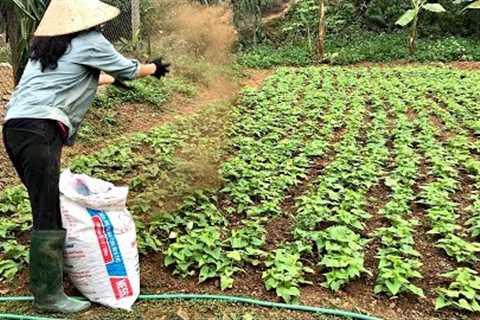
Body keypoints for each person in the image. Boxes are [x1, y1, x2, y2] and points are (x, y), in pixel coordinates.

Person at [1, 0, 170, 314]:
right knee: (46, 208)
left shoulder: (48, 49)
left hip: (16, 128)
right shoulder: (89, 40)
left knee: (44, 202)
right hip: (41, 130)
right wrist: (154, 68)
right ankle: (48, 296)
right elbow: (129, 70)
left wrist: (113, 77)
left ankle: (52, 280)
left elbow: (92, 75)